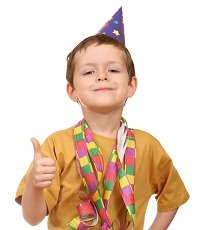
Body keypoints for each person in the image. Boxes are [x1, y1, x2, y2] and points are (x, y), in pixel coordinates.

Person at [15, 7, 189, 230]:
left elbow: (172, 197)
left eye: (113, 70)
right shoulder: (57, 145)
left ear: (131, 85)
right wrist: (34, 185)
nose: (102, 76)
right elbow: (32, 218)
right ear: (72, 91)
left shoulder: (148, 146)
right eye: (88, 72)